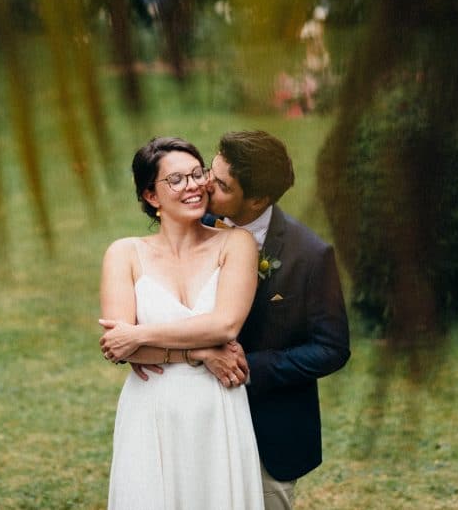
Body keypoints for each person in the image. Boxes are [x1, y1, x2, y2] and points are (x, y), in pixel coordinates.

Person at [150, 130, 350, 510]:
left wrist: (252, 367)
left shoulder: (308, 256)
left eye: (221, 183)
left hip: (268, 427)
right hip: (191, 416)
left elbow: (332, 348)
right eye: (211, 169)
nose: (205, 183)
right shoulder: (190, 223)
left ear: (256, 198)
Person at [98, 136, 264, 509]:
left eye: (196, 174)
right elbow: (119, 346)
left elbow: (225, 326)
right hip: (152, 409)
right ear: (151, 196)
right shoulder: (124, 254)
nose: (192, 186)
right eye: (175, 180)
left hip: (217, 406)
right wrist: (201, 353)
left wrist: (142, 335)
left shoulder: (235, 244)